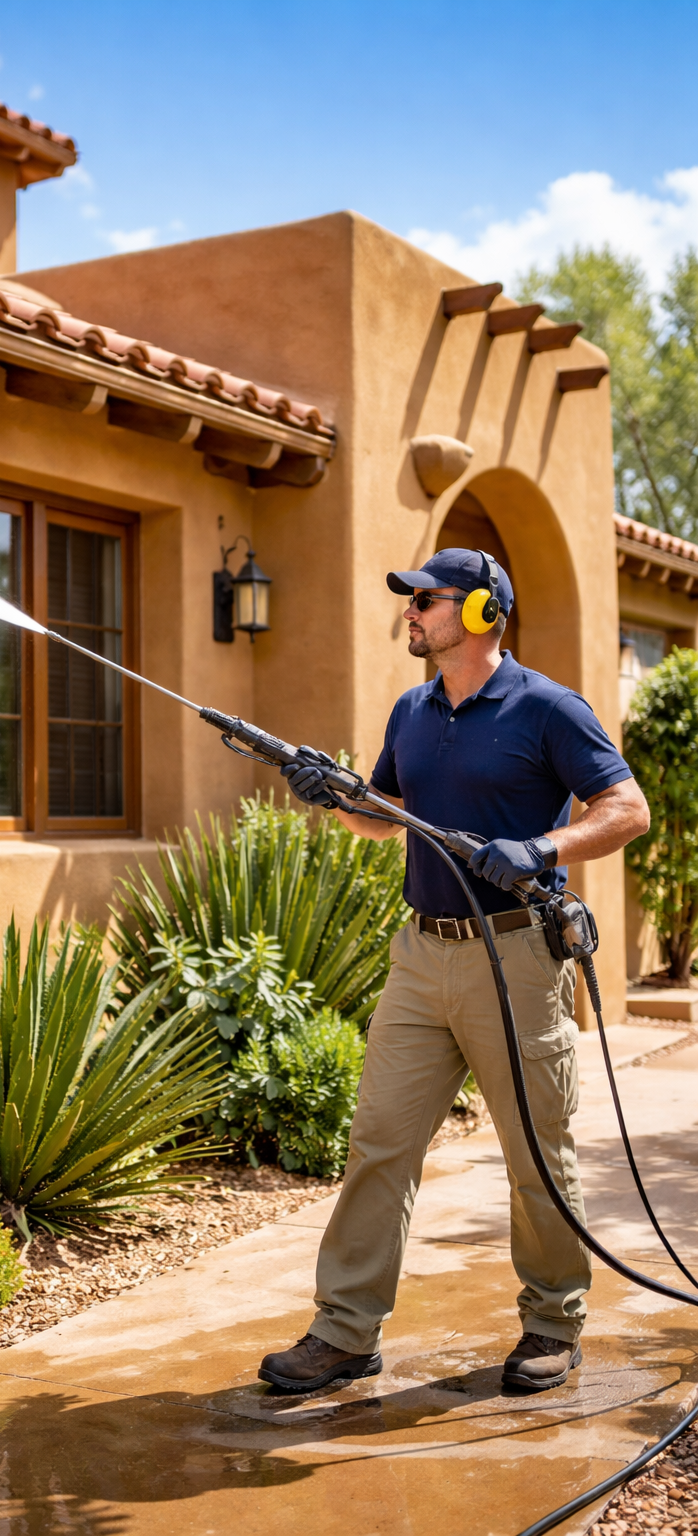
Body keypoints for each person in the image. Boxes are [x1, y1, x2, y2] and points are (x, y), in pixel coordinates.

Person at [263, 548, 650, 1395]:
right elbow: (384, 817)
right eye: (410, 601)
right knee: (379, 1144)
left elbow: (627, 808)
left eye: (424, 600)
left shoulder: (549, 708)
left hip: (516, 957)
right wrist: (330, 794)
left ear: (479, 612)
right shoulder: (412, 708)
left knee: (534, 1152)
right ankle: (345, 1331)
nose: (410, 612)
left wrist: (542, 847)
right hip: (419, 954)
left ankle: (553, 1323)